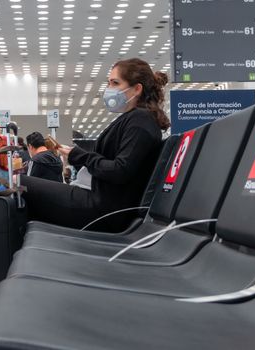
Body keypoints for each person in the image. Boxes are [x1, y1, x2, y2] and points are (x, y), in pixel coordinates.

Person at [20, 58, 169, 231]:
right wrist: (77, 155)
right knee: (18, 186)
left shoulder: (140, 121)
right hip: (102, 203)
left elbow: (120, 170)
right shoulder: (137, 119)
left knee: (20, 185)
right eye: (109, 83)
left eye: (115, 83)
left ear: (137, 89)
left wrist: (80, 156)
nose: (109, 89)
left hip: (103, 209)